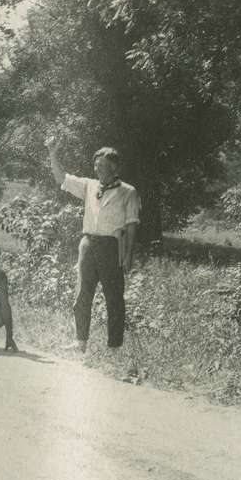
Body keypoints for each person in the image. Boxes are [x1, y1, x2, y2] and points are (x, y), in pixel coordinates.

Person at [46, 136, 141, 352]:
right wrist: (53, 154)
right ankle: (81, 341)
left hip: (112, 246)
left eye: (103, 165)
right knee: (82, 293)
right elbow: (62, 178)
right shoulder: (89, 186)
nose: (98, 169)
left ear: (114, 167)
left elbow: (132, 226)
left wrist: (128, 255)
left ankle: (114, 346)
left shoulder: (128, 192)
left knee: (114, 297)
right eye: (96, 165)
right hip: (88, 243)